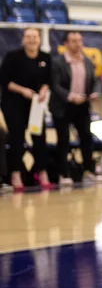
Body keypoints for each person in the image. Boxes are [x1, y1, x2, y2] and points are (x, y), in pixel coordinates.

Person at [0, 28, 52, 191]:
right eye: (28, 37)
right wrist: (22, 90)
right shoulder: (13, 57)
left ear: (39, 39)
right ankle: (16, 174)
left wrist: (43, 89)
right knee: (17, 139)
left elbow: (48, 79)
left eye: (35, 37)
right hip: (14, 104)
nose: (31, 40)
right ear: (23, 39)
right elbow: (4, 80)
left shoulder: (45, 57)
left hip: (35, 105)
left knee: (39, 138)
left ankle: (41, 172)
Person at [50, 30, 97, 184]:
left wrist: (93, 93)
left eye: (79, 40)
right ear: (66, 44)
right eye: (74, 41)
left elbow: (92, 81)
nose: (77, 44)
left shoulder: (88, 62)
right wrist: (70, 96)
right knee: (63, 140)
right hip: (62, 106)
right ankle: (63, 174)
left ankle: (89, 170)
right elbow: (55, 85)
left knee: (86, 138)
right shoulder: (58, 62)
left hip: (82, 106)